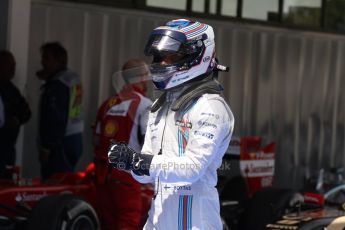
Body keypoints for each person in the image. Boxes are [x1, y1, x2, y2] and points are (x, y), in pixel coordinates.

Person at [108, 19, 234, 229]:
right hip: (158, 217)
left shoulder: (211, 108)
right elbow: (145, 176)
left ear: (196, 55)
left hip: (196, 222)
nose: (161, 64)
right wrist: (130, 162)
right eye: (159, 57)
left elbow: (192, 168)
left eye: (170, 57)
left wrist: (142, 162)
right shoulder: (160, 106)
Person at [93, 58, 152, 230]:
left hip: (103, 176)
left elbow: (96, 141)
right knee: (128, 222)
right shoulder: (145, 105)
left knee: (108, 223)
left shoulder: (107, 104)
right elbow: (150, 142)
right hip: (127, 176)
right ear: (140, 77)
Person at [36, 42, 83, 180]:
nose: (42, 62)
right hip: (74, 139)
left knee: (54, 184)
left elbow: (55, 119)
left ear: (58, 61)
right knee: (64, 181)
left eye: (46, 58)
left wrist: (46, 148)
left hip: (59, 143)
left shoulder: (58, 85)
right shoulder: (71, 79)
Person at [0, 50, 31, 179]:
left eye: (14, 65)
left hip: (7, 148)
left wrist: (17, 119)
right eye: (9, 65)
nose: (13, 69)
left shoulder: (11, 89)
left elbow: (26, 112)